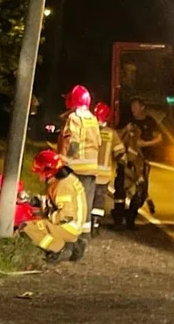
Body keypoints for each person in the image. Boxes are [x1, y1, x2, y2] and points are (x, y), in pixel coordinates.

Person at [19, 149, 88, 262]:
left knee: (27, 228)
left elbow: (66, 216)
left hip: (68, 226)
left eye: (40, 173)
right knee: (36, 218)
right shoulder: (63, 180)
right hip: (73, 225)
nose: (40, 178)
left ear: (49, 172)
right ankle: (73, 244)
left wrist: (47, 217)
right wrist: (35, 201)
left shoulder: (63, 186)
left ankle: (59, 249)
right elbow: (54, 202)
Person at [56, 85, 102, 235]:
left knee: (73, 202)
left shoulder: (74, 118)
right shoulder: (93, 118)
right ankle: (84, 235)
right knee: (86, 203)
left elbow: (74, 142)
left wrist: (66, 159)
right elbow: (98, 142)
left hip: (76, 168)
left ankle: (71, 235)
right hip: (91, 169)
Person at [89, 101, 126, 233]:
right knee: (99, 201)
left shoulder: (88, 131)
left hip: (88, 173)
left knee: (87, 198)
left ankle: (85, 225)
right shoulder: (111, 133)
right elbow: (120, 152)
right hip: (103, 176)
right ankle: (95, 224)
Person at [111, 123, 148, 229]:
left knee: (137, 195)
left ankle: (127, 220)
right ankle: (122, 220)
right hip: (125, 171)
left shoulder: (134, 145)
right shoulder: (129, 142)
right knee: (121, 196)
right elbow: (128, 160)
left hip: (130, 171)